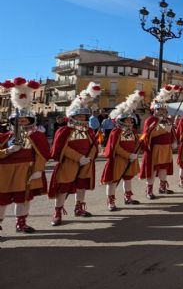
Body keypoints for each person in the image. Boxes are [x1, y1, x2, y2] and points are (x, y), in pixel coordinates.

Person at [0, 78, 50, 234]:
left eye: (24, 120)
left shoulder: (36, 136)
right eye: (18, 120)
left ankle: (21, 223)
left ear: (30, 120)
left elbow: (42, 154)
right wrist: (8, 151)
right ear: (12, 121)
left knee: (24, 199)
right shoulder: (4, 137)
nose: (21, 122)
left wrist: (39, 170)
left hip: (26, 171)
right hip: (5, 172)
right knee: (2, 201)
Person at [49, 82, 102, 226]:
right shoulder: (65, 131)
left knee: (82, 186)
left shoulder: (89, 131)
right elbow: (62, 148)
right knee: (63, 188)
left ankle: (79, 207)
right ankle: (58, 212)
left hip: (86, 163)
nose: (82, 119)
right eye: (79, 117)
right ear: (73, 116)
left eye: (84, 117)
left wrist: (89, 158)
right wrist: (79, 158)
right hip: (69, 163)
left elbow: (94, 146)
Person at [100, 91, 145, 211]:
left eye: (131, 120)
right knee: (113, 181)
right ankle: (111, 202)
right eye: (127, 120)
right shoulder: (116, 132)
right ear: (121, 120)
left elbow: (137, 143)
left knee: (128, 178)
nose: (129, 122)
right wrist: (128, 155)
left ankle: (128, 197)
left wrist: (138, 149)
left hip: (131, 158)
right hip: (118, 159)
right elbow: (115, 147)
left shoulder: (133, 132)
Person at [139, 85, 180, 199]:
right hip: (155, 148)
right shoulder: (150, 120)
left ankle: (162, 187)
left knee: (163, 168)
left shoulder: (166, 119)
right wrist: (162, 129)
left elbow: (171, 131)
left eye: (163, 109)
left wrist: (173, 140)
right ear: (155, 110)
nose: (162, 111)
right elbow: (147, 135)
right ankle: (149, 190)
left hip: (166, 147)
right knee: (152, 170)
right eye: (159, 109)